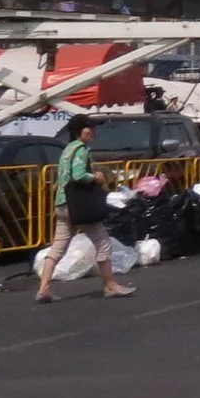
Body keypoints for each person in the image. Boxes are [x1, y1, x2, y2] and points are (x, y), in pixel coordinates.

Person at [38, 113, 136, 302]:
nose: (93, 131)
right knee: (103, 242)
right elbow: (78, 175)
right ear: (78, 131)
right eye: (88, 128)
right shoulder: (82, 149)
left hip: (62, 203)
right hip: (79, 205)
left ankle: (44, 288)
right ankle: (110, 285)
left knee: (59, 246)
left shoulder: (67, 149)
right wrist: (96, 177)